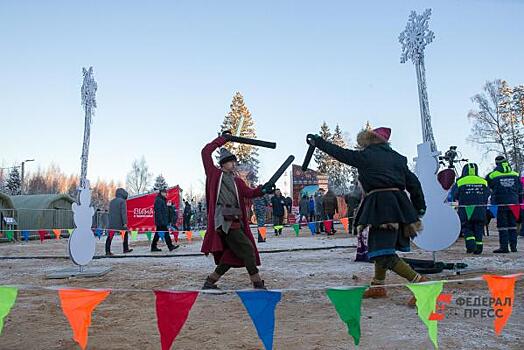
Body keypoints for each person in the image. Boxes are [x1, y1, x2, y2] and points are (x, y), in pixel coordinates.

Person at [307, 127, 427, 301]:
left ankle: (421, 283)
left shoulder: (366, 156)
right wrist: (419, 207)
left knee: (384, 253)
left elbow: (340, 153)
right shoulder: (397, 158)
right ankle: (378, 286)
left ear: (369, 140)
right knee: (381, 246)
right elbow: (414, 183)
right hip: (398, 206)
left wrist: (319, 142)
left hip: (381, 207)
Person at [200, 132, 274, 290]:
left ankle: (210, 281)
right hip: (224, 222)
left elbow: (250, 193)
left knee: (232, 255)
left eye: (234, 162)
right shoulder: (214, 174)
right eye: (231, 162)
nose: (234, 164)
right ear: (223, 163)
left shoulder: (237, 181)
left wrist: (264, 189)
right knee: (247, 249)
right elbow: (205, 151)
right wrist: (222, 140)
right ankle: (257, 283)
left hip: (236, 220)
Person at [450, 163, 489, 254]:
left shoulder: (460, 181)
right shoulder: (483, 181)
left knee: (467, 227)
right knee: (479, 228)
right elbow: (487, 194)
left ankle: (471, 246)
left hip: (465, 210)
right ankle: (479, 247)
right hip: (480, 209)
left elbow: (454, 195)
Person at [486, 156, 522, 253]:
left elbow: (489, 185)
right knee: (512, 225)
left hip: (500, 203)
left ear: (496, 163)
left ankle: (504, 247)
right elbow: (520, 189)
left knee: (502, 226)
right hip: (514, 203)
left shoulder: (493, 175)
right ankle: (514, 247)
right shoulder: (515, 174)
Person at [105, 188, 132, 256]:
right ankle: (125, 249)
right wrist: (125, 223)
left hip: (111, 222)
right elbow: (123, 213)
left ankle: (107, 251)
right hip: (120, 223)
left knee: (110, 236)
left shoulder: (112, 201)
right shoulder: (122, 201)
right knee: (125, 234)